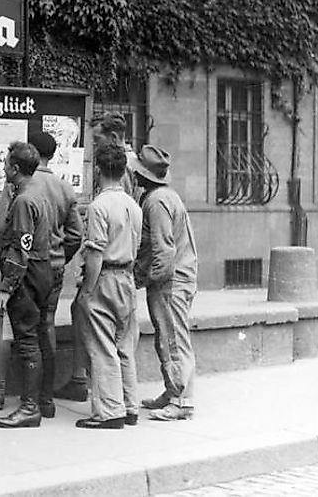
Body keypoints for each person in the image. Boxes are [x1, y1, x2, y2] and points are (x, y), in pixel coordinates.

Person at [0, 132, 82, 417]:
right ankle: (45, 399)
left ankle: (0, 391)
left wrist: (6, 276)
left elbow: (5, 233)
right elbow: (76, 234)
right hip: (51, 269)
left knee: (15, 332)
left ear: (18, 165)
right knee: (47, 329)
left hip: (24, 270)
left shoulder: (20, 192)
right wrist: (59, 259)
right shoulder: (63, 187)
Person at [55, 111, 138, 402]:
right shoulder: (126, 168)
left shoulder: (119, 172)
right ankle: (111, 394)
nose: (93, 146)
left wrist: (89, 282)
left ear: (113, 138)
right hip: (119, 266)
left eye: (98, 139)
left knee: (99, 329)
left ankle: (97, 392)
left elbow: (112, 228)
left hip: (106, 265)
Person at [75, 143, 142, 429]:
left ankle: (109, 411)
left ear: (98, 171)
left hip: (106, 277)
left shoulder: (98, 206)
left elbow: (95, 253)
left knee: (101, 345)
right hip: (128, 277)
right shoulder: (133, 205)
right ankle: (130, 406)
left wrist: (87, 291)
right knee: (124, 345)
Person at [133, 145, 199, 421]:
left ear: (141, 176)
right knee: (168, 337)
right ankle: (172, 391)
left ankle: (181, 400)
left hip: (169, 282)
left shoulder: (156, 201)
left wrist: (143, 279)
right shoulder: (164, 196)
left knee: (172, 340)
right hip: (175, 278)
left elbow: (164, 252)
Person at [0, 142, 54, 428]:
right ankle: (36, 402)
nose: (3, 167)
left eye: (6, 163)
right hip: (43, 270)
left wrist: (6, 287)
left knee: (27, 340)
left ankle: (29, 407)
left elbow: (19, 248)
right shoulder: (39, 193)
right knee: (36, 337)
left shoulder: (22, 201)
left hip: (27, 274)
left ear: (15, 168)